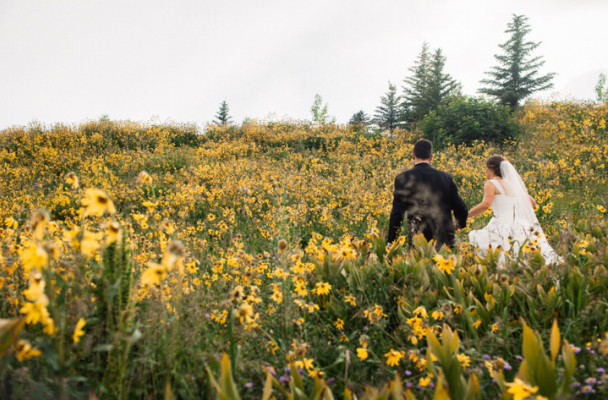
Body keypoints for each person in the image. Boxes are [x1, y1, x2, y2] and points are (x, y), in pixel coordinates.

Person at [468, 155, 559, 264]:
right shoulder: (512, 185)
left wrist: (466, 215)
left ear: (492, 168)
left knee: (497, 250)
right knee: (522, 251)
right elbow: (533, 203)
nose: (485, 171)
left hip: (500, 224)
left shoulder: (491, 184)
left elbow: (485, 205)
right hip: (520, 224)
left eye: (486, 168)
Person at [387, 139, 468, 249]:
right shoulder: (446, 178)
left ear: (413, 155)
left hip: (418, 235)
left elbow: (397, 212)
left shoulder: (403, 178)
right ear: (431, 157)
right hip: (443, 235)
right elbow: (460, 206)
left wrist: (392, 240)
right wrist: (459, 224)